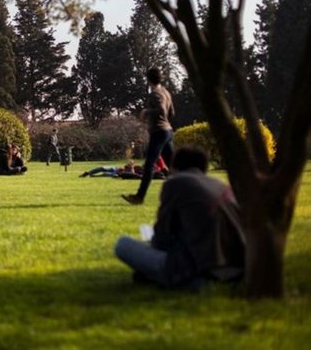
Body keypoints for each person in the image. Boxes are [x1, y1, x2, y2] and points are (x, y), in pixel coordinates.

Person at [114, 147, 245, 289]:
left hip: (199, 268)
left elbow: (161, 238)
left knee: (123, 244)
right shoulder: (220, 185)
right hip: (235, 268)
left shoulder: (176, 183)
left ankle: (182, 280)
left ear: (174, 166)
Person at [122, 67, 175, 205]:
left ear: (148, 79)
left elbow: (161, 110)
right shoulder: (166, 93)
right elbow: (171, 113)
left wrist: (146, 112)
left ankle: (139, 196)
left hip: (158, 131)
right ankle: (185, 194)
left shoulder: (155, 94)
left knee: (150, 164)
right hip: (168, 131)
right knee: (173, 166)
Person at [81, 157, 167, 179]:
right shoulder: (141, 167)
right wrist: (129, 164)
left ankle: (93, 176)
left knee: (105, 173)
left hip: (119, 173)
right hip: (118, 169)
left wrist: (131, 167)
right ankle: (87, 173)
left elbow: (133, 174)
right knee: (102, 168)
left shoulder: (143, 173)